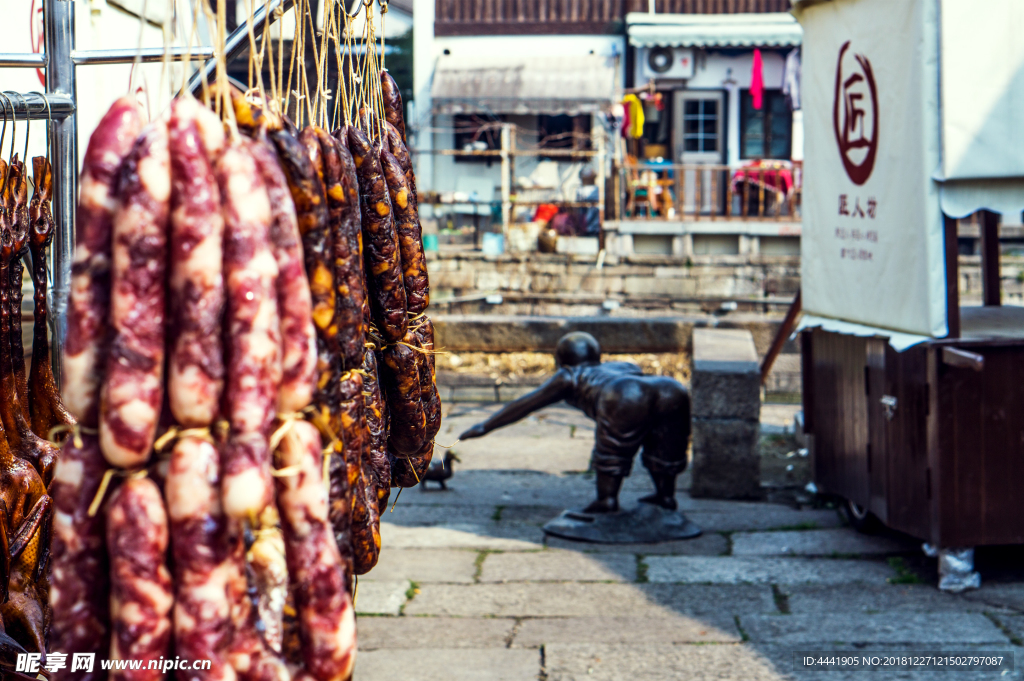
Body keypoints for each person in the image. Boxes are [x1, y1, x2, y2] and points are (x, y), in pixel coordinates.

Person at [460, 332, 691, 513]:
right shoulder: (623, 366)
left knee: (612, 450)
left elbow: (527, 403)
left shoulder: (568, 376)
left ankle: (607, 501)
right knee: (664, 444)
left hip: (622, 395)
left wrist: (485, 426)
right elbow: (641, 386)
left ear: (562, 360)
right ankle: (666, 496)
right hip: (670, 388)